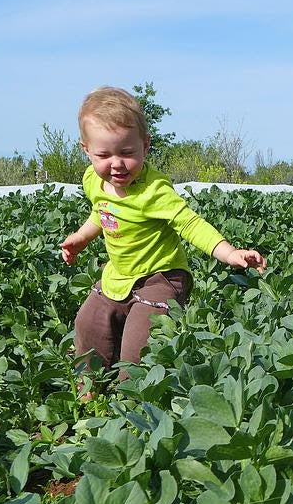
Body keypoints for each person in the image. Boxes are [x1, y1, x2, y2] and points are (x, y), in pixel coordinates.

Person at [60, 86, 267, 389]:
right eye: (104, 154)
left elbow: (190, 224)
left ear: (145, 145)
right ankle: (89, 391)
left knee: (139, 343)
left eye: (127, 153)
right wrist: (81, 237)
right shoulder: (94, 180)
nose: (116, 164)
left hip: (161, 278)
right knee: (87, 322)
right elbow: (101, 213)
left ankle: (131, 405)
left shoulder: (154, 191)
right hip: (119, 275)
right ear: (86, 150)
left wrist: (228, 252)